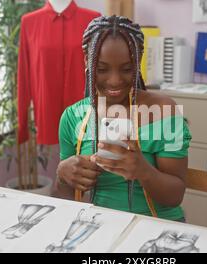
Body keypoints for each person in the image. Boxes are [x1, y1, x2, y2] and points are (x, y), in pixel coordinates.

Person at [53, 15, 192, 222]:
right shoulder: (73, 116)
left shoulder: (164, 111)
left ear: (139, 59)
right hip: (101, 226)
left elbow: (175, 196)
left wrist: (143, 171)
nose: (115, 80)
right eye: (101, 69)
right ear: (86, 60)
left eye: (126, 69)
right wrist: (62, 175)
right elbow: (62, 200)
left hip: (158, 229)